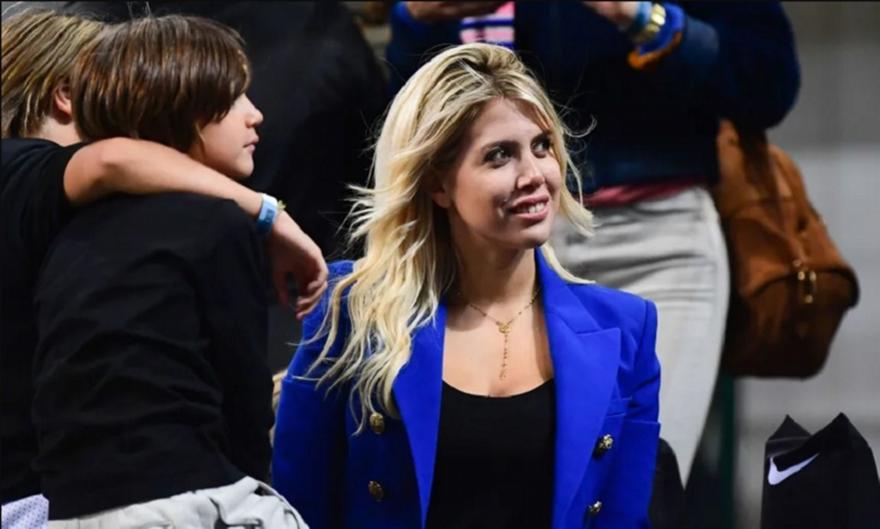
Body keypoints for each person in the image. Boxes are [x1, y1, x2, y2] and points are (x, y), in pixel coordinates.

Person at [385, 0, 800, 482]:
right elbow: (411, 126)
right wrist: (416, 19)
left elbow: (768, 82)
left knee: (636, 478)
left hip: (655, 235)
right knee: (506, 478)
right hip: (496, 244)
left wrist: (640, 14)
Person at [273, 43, 661, 529]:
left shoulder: (627, 328)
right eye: (500, 156)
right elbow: (297, 508)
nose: (534, 175)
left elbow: (624, 518)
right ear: (438, 185)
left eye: (542, 146)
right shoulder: (350, 308)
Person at [0, 8, 325, 527]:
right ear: (66, 95)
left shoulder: (77, 227)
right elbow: (113, 161)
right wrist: (268, 215)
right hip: (38, 502)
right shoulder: (20, 170)